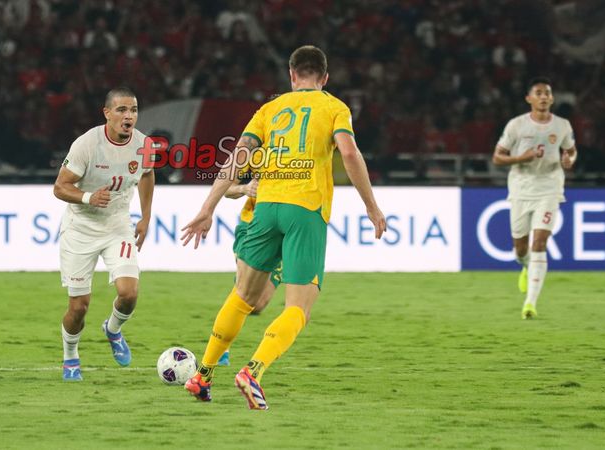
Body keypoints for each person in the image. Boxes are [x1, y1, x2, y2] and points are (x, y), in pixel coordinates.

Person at [180, 46, 386, 409]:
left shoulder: (269, 109)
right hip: (305, 208)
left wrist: (206, 207)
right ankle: (253, 372)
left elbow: (237, 157)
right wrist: (371, 206)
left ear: (292, 75)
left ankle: (203, 375)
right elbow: (350, 153)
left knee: (243, 296)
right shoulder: (334, 107)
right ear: (324, 78)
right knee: (299, 306)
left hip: (266, 207)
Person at [52, 87, 155, 381]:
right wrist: (87, 197)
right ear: (107, 113)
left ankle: (112, 329)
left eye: (133, 110)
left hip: (117, 226)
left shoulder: (143, 144)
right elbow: (60, 187)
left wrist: (145, 217)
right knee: (79, 307)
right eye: (122, 110)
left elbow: (147, 174)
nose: (129, 116)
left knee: (129, 293)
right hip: (81, 229)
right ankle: (70, 355)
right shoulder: (86, 144)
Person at [492, 76, 577, 320]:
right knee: (520, 249)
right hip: (521, 188)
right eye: (538, 93)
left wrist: (569, 160)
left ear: (551, 99)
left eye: (547, 93)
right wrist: (521, 158)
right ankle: (526, 265)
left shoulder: (562, 126)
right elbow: (498, 157)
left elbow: (571, 151)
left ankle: (530, 303)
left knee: (539, 243)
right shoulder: (516, 126)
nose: (543, 97)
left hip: (549, 188)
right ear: (529, 98)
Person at [217, 176, 280, 367]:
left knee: (258, 304)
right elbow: (226, 188)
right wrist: (245, 189)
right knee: (244, 291)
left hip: (286, 229)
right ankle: (220, 347)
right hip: (253, 226)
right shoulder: (255, 150)